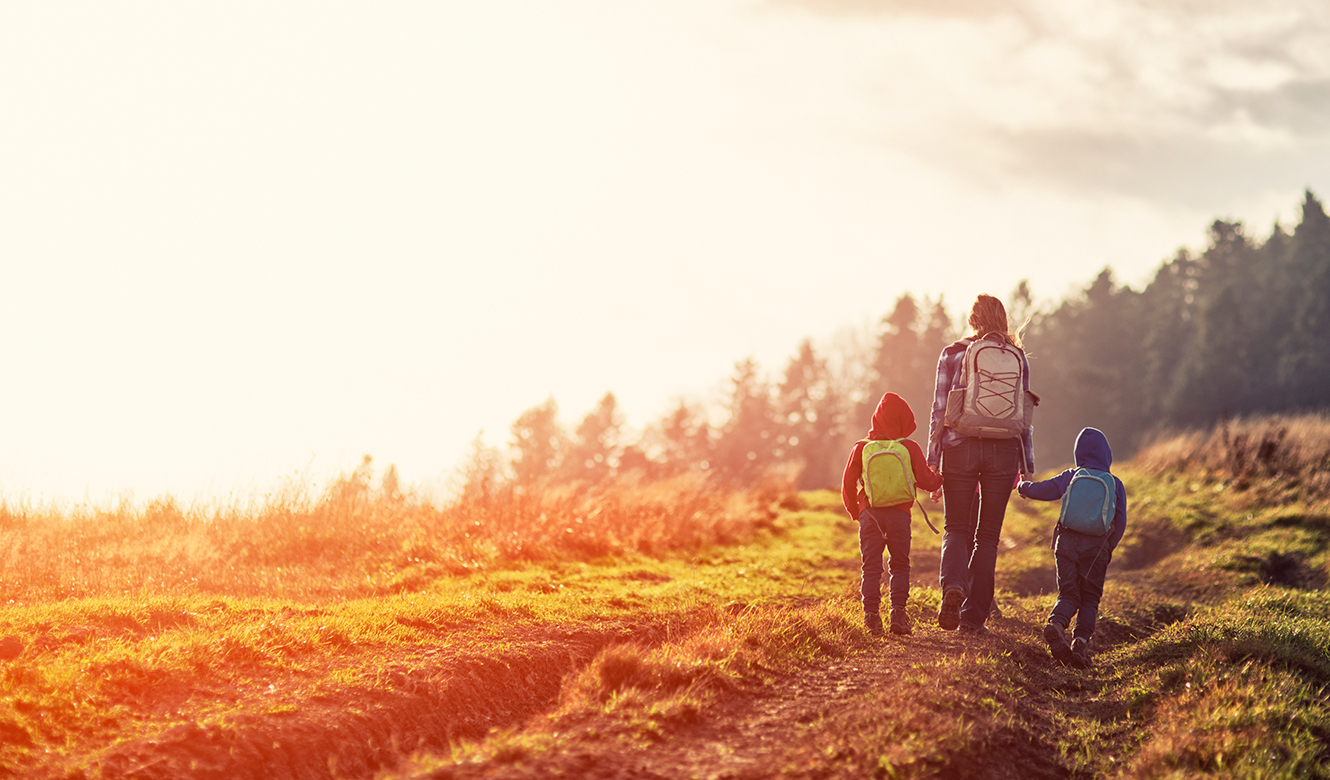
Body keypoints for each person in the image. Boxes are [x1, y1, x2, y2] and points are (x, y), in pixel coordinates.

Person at [927, 294, 1035, 635]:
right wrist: (1026, 465)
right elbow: (1024, 417)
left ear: (972, 320)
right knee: (988, 538)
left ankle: (953, 588)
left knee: (956, 528)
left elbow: (940, 412)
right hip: (1003, 452)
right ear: (1003, 321)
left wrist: (933, 461)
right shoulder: (1016, 356)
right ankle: (973, 618)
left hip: (960, 447)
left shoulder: (952, 353)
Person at [1017, 427, 1127, 668]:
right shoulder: (1115, 484)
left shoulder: (1072, 475)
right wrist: (1107, 548)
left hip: (1065, 543)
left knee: (1068, 593)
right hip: (1096, 548)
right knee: (1089, 598)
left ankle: (1056, 624)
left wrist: (1023, 487)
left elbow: (1044, 490)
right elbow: (1120, 522)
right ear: (1106, 453)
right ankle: (1080, 644)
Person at [842, 392, 943, 637]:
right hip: (899, 514)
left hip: (870, 515)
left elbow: (847, 483)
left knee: (871, 567)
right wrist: (940, 479)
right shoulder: (908, 447)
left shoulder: (861, 447)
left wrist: (858, 512)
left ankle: (871, 618)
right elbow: (926, 481)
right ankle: (898, 615)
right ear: (904, 420)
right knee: (899, 565)